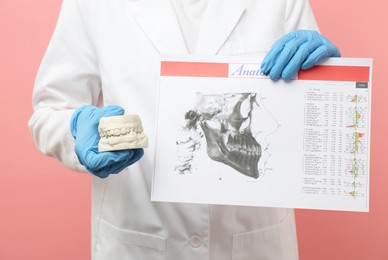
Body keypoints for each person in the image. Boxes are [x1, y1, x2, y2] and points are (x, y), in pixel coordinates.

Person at [29, 0, 340, 259]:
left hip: (253, 242)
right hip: (139, 240)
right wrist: (75, 128)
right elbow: (50, 110)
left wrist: (331, 85)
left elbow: (312, 124)